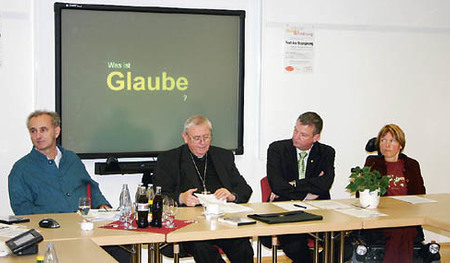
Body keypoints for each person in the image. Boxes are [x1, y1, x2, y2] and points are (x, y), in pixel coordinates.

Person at [8, 110, 127, 262]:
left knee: (124, 250)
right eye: (33, 131)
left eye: (43, 130)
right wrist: (60, 218)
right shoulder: (21, 169)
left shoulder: (71, 158)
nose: (38, 136)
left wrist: (102, 204)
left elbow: (90, 186)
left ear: (56, 131)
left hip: (87, 230)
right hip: (51, 236)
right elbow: (22, 209)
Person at [154, 115, 254, 263]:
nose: (202, 143)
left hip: (222, 222)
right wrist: (180, 197)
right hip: (189, 227)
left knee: (242, 245)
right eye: (197, 138)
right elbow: (159, 195)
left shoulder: (223, 156)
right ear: (185, 137)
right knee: (203, 249)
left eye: (206, 137)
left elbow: (244, 189)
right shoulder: (169, 159)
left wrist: (232, 195)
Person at [266, 111, 335, 263]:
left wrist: (294, 184)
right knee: (294, 246)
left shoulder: (326, 152)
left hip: (319, 211)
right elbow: (277, 186)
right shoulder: (277, 149)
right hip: (286, 212)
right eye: (295, 131)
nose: (296, 137)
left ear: (316, 138)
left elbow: (325, 184)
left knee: (343, 239)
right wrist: (308, 192)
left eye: (303, 135)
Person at [364, 124, 425, 263]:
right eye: (383, 140)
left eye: (392, 141)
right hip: (382, 217)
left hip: (407, 216)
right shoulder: (373, 163)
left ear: (400, 145)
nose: (386, 145)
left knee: (406, 231)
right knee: (397, 232)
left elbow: (420, 193)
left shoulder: (411, 165)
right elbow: (362, 193)